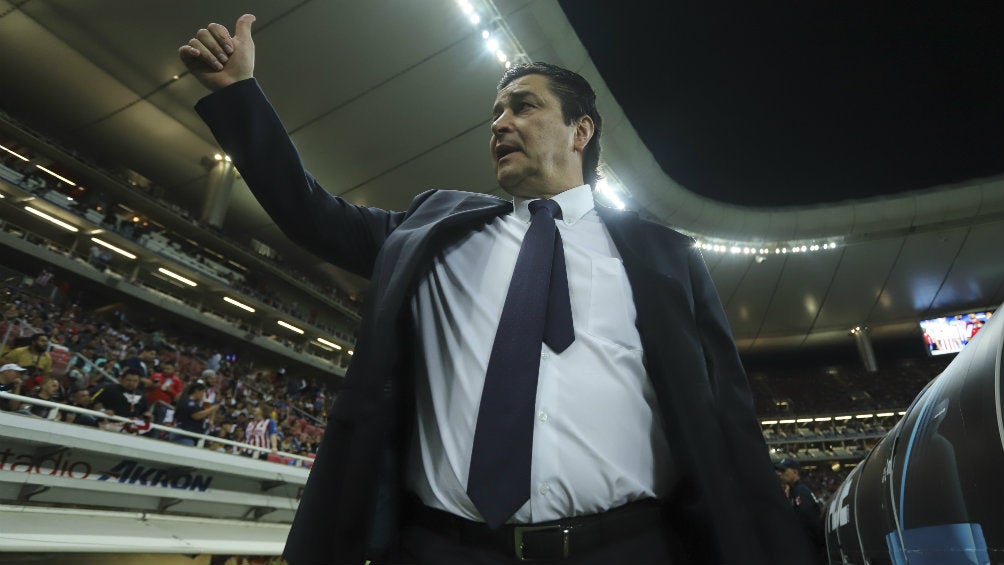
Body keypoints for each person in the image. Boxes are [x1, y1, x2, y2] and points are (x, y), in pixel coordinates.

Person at [180, 15, 814, 565]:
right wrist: (239, 96)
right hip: (442, 549)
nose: (500, 123)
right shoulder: (436, 230)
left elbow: (728, 419)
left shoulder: (663, 255)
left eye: (523, 106)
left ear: (581, 132)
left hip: (629, 549)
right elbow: (310, 213)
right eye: (495, 113)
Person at [775, 457, 826, 562]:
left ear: (795, 472)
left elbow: (812, 523)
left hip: (810, 552)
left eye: (784, 470)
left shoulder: (801, 492)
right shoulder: (794, 491)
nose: (780, 474)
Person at [171, 380, 221, 446]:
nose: (203, 395)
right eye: (203, 392)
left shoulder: (193, 403)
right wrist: (212, 409)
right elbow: (196, 416)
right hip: (184, 434)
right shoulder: (189, 402)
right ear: (197, 391)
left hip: (189, 434)